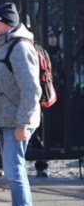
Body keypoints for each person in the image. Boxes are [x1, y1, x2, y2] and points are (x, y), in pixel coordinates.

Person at [0, 2, 41, 206]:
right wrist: (0, 124)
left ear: (8, 24)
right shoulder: (3, 46)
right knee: (13, 170)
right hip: (6, 121)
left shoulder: (20, 48)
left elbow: (31, 89)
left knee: (14, 170)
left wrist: (23, 122)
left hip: (17, 121)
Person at [35, 28, 64, 178]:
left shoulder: (60, 53)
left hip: (58, 95)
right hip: (43, 96)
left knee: (56, 125)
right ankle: (41, 162)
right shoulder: (41, 52)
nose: (53, 39)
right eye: (50, 36)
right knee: (41, 129)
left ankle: (58, 149)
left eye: (54, 36)